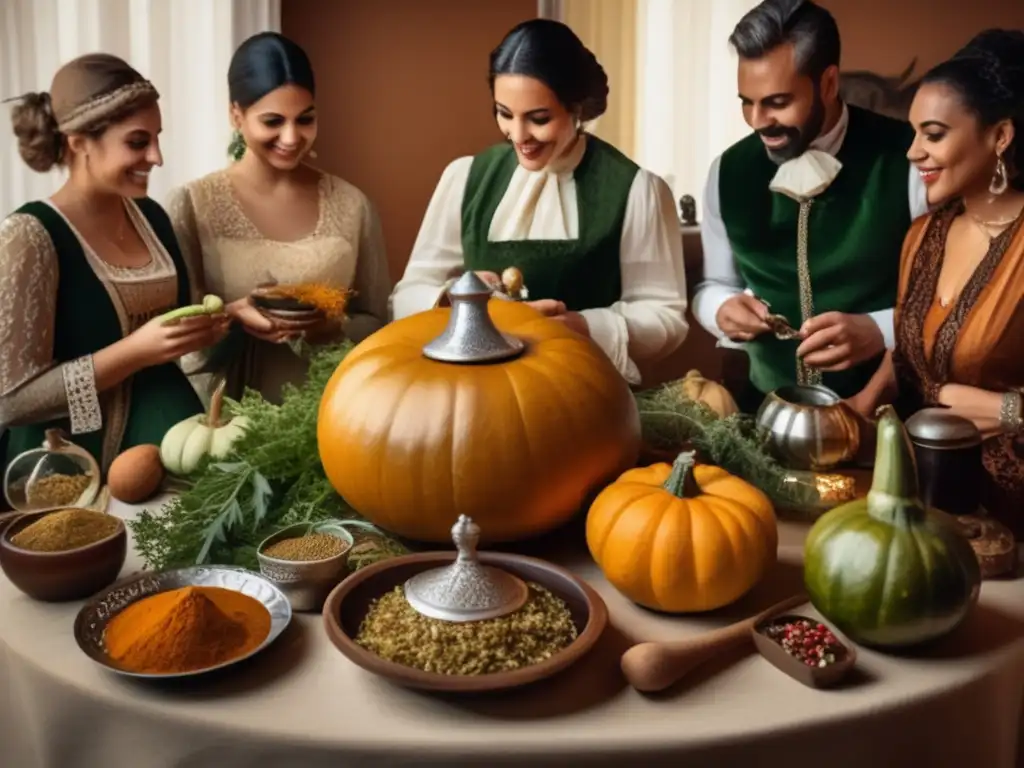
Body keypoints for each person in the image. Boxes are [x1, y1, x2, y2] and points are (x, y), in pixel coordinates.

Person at [390, 19, 687, 385]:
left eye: (539, 118)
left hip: (587, 394)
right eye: (504, 113)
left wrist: (582, 326)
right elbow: (406, 297)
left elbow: (666, 317)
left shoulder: (637, 190)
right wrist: (454, 300)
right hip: (475, 395)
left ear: (577, 108)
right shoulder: (464, 178)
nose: (518, 136)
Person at [692, 0, 929, 411]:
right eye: (746, 101)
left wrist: (879, 331)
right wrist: (720, 308)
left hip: (887, 418)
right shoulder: (726, 172)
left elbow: (953, 306)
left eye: (777, 102)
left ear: (829, 83)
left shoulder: (911, 160)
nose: (757, 120)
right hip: (763, 416)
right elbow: (713, 286)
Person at [0, 54, 225, 475]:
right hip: (63, 466)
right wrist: (135, 351)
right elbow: (10, 401)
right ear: (78, 140)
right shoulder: (30, 235)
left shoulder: (153, 217)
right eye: (138, 142)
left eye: (158, 138)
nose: (156, 157)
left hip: (160, 454)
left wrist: (228, 319)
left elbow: (178, 340)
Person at [850, 30, 1024, 536]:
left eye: (933, 134)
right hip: (924, 511)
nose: (913, 152)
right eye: (913, 134)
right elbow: (906, 356)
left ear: (1000, 137)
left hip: (1012, 528)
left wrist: (1008, 411)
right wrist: (856, 410)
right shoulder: (926, 235)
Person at [168, 32, 390, 404]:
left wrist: (334, 326)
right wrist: (232, 317)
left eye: (305, 119)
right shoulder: (193, 205)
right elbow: (177, 336)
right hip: (230, 421)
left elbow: (379, 323)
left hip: (337, 412)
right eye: (273, 121)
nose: (291, 137)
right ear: (235, 114)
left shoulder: (353, 204)